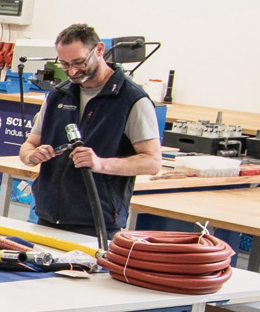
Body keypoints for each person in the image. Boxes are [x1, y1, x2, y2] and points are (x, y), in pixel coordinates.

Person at [16, 23, 161, 238]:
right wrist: (31, 156)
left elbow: (153, 162)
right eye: (64, 64)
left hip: (96, 224)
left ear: (100, 50)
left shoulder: (131, 100)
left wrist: (101, 164)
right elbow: (29, 145)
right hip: (47, 217)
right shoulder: (58, 96)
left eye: (79, 62)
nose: (72, 71)